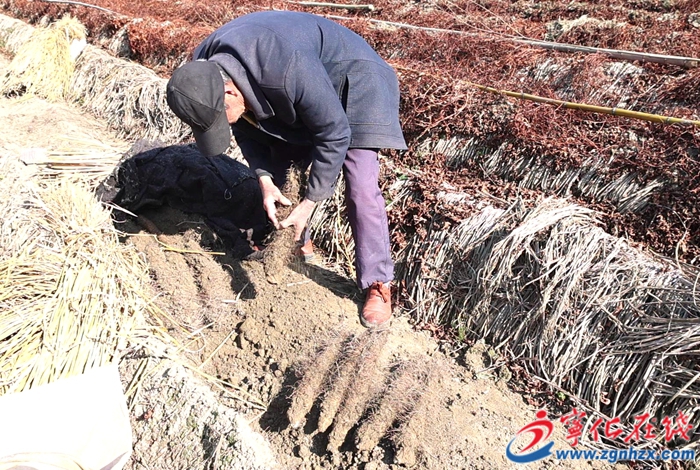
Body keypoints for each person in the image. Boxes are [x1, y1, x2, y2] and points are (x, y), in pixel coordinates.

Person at [165, 11, 407, 327]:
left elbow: (334, 133)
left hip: (357, 82)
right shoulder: (204, 71)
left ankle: (377, 282)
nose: (226, 125)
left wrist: (311, 202)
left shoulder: (286, 67)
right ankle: (296, 240)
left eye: (222, 119)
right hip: (300, 80)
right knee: (282, 167)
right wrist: (264, 178)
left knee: (360, 186)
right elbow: (246, 127)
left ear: (231, 91)